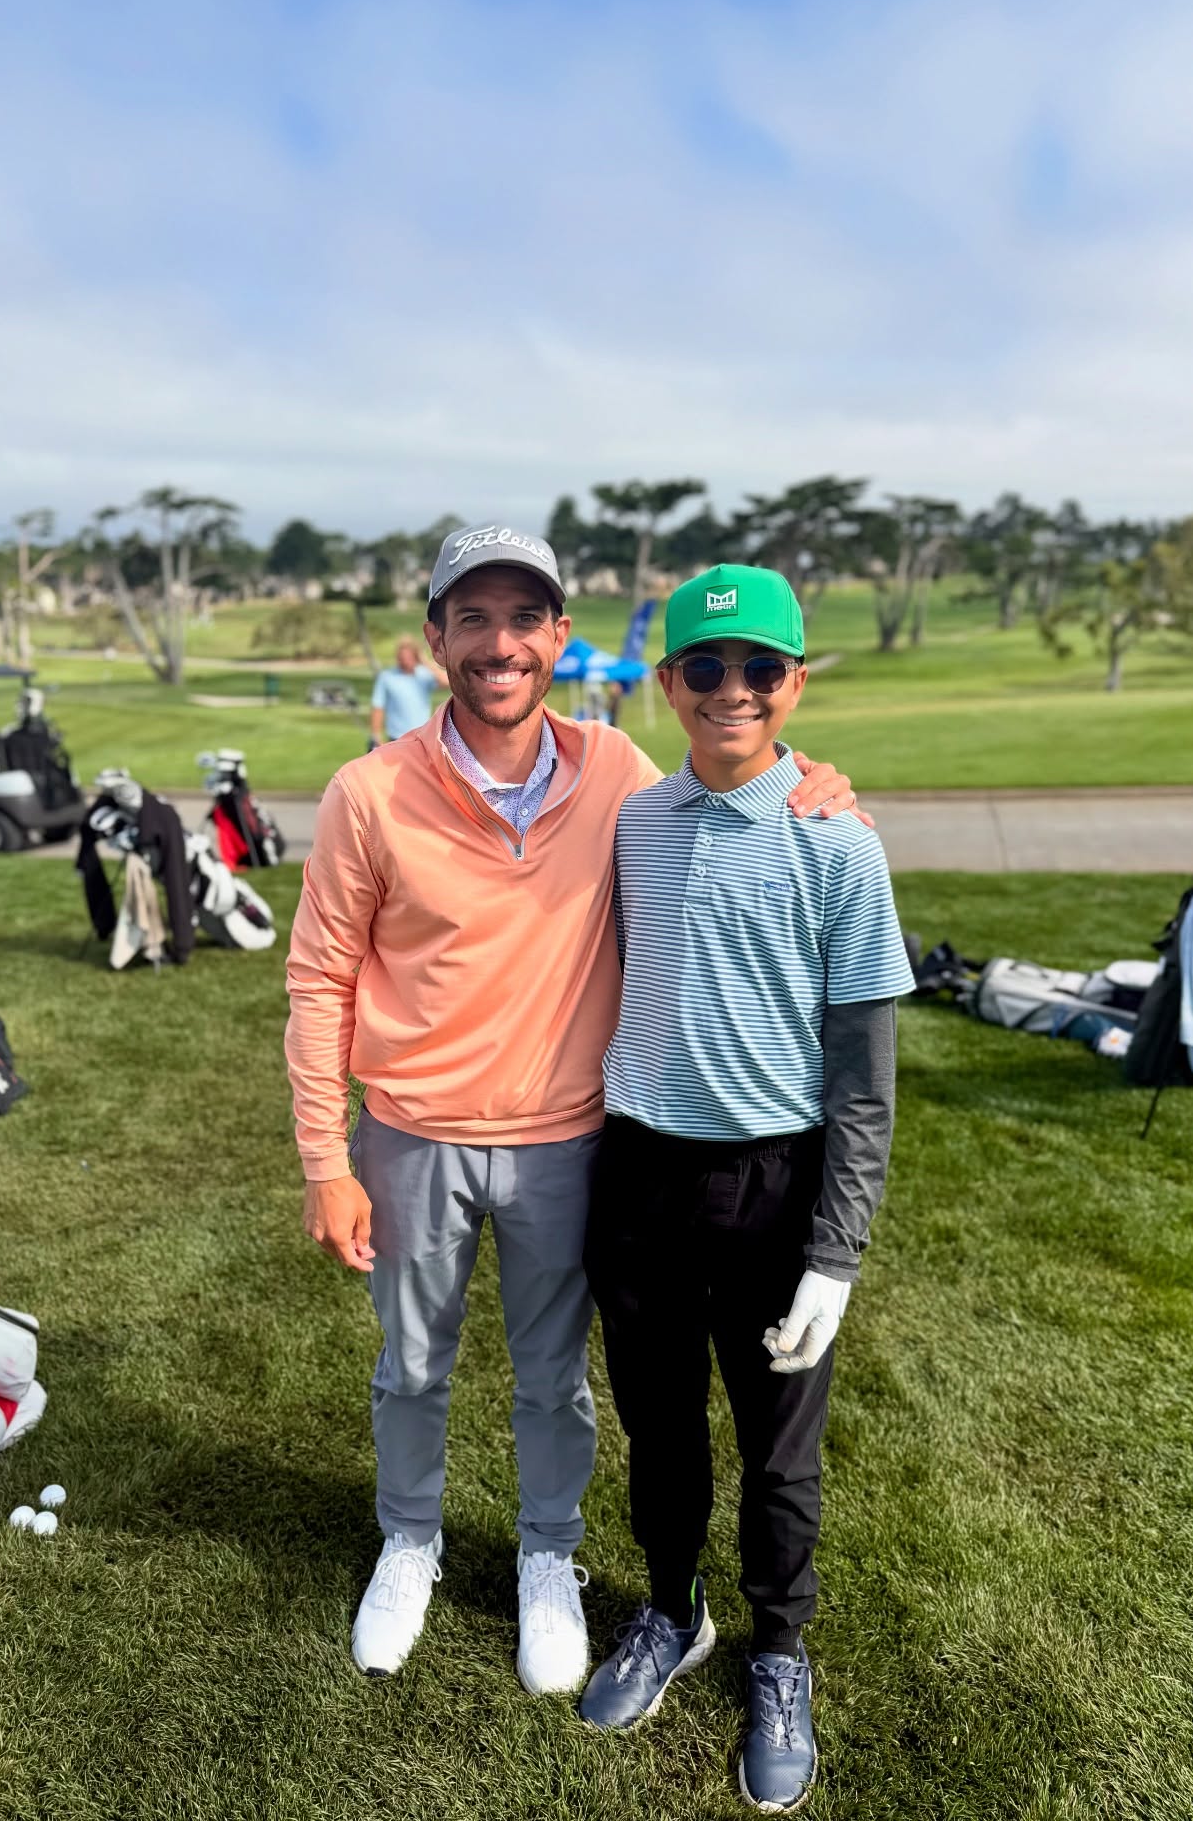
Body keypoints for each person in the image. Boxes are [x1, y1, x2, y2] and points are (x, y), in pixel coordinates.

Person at [284, 524, 864, 1698]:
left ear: (558, 636)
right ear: (440, 636)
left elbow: (732, 788)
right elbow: (320, 976)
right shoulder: (369, 792)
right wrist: (321, 1159)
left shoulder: (614, 774)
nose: (501, 646)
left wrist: (816, 779)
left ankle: (550, 1556)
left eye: (524, 620)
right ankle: (412, 1539)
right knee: (410, 1366)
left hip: (569, 1139)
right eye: (474, 620)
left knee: (555, 1377)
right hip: (409, 1133)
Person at [578, 564, 915, 1812]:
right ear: (667, 684)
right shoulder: (633, 822)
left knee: (779, 1457)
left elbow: (865, 1083)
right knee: (660, 1430)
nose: (733, 692)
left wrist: (837, 1251)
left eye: (760, 671)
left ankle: (780, 1653)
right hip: (642, 1174)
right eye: (707, 670)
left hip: (777, 1184)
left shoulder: (837, 842)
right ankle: (675, 1613)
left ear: (795, 684)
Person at [368, 636, 438, 747]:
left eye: (409, 657)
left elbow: (447, 682)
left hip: (422, 738)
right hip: (397, 738)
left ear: (415, 657)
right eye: (402, 657)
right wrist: (376, 735)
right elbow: (378, 707)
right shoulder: (386, 677)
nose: (405, 661)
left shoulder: (424, 675)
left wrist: (424, 661)